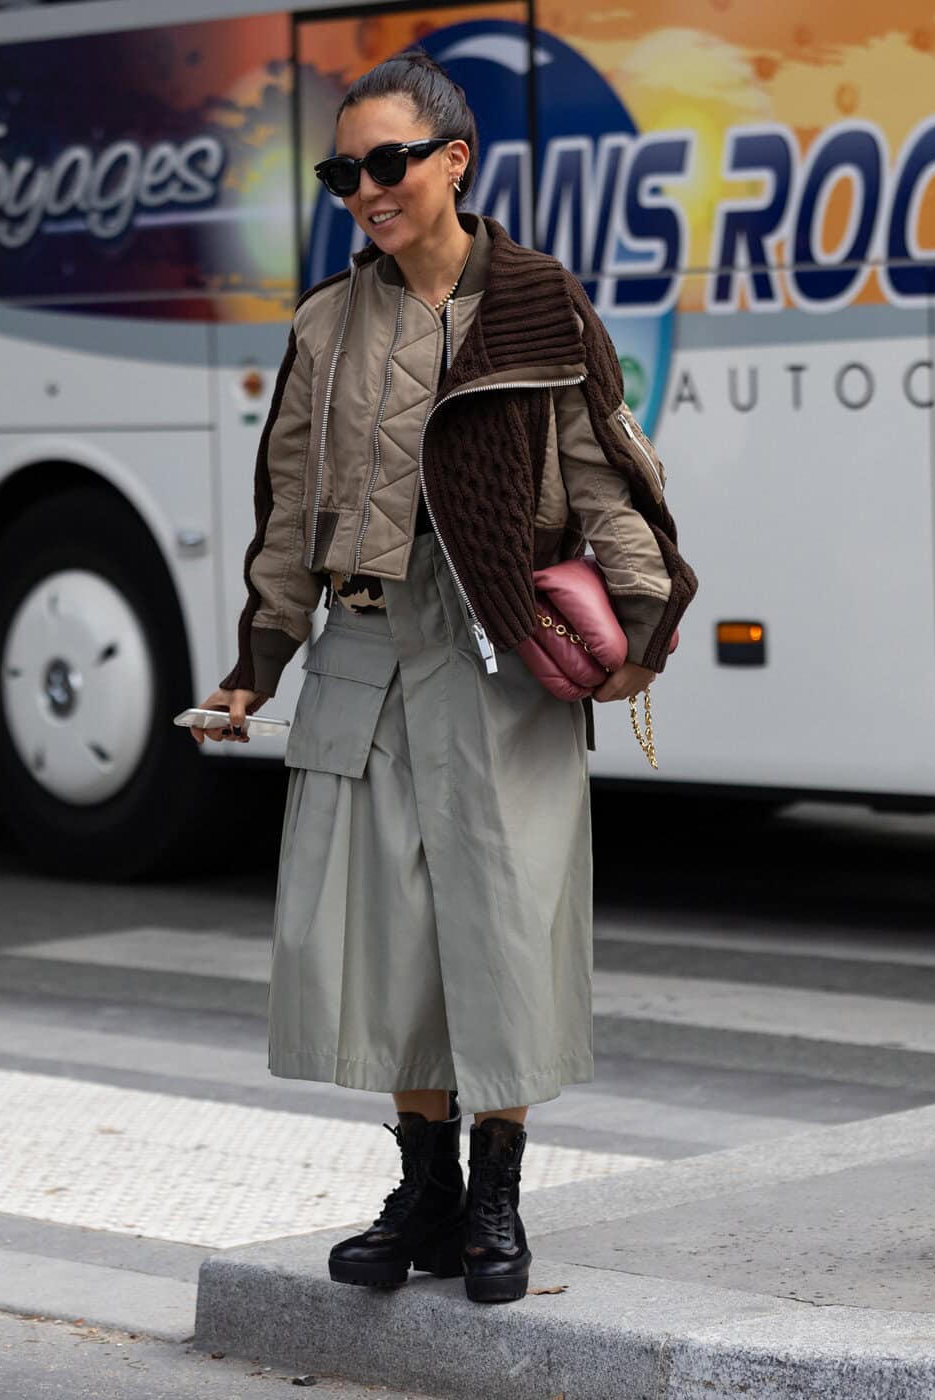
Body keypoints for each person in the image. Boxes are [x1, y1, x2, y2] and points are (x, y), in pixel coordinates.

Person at [197, 53, 696, 1304]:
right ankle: (421, 1189)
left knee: (503, 920)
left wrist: (643, 615)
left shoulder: (535, 302)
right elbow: (289, 505)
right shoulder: (325, 322)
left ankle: (495, 1198)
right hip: (363, 648)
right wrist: (259, 658)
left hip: (493, 643)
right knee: (387, 933)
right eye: (343, 171)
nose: (366, 189)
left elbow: (606, 471)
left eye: (388, 162)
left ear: (453, 160)